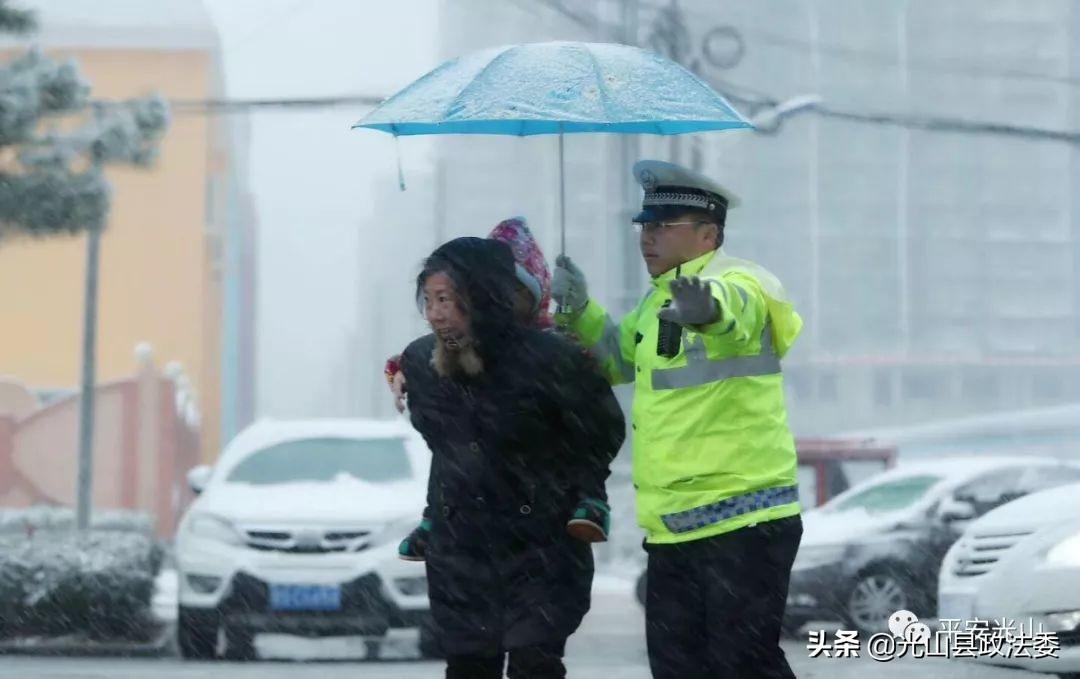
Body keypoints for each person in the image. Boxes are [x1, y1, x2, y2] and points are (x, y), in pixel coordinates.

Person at [551, 160, 805, 679]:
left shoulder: (741, 281)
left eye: (664, 227)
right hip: (674, 526)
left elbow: (739, 315)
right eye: (645, 226)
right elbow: (618, 362)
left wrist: (710, 312)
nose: (648, 238)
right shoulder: (656, 301)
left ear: (708, 233)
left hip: (743, 516)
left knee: (743, 665)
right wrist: (579, 310)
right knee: (677, 668)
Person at [401, 236, 625, 679]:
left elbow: (602, 431)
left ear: (481, 298)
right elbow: (442, 446)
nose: (435, 313)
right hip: (461, 550)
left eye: (446, 299)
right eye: (428, 301)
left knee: (535, 663)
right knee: (468, 665)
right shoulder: (421, 364)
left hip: (540, 549)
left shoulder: (553, 361)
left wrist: (574, 490)